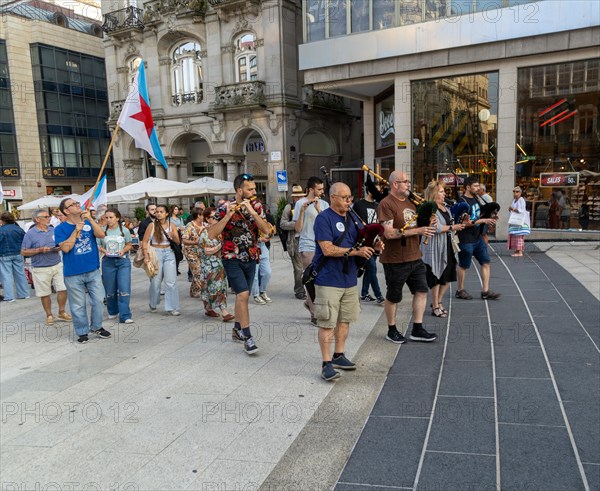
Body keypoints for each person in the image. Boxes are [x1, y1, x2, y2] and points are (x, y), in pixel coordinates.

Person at [313, 182, 382, 381]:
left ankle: (338, 355)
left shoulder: (353, 218)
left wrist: (375, 246)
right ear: (332, 197)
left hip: (349, 278)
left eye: (350, 197)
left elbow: (363, 240)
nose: (348, 201)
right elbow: (327, 249)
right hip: (328, 279)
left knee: (345, 320)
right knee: (327, 323)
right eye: (344, 197)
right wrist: (355, 252)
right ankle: (326, 363)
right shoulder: (323, 218)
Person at [209, 173, 271, 355]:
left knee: (243, 297)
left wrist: (252, 212)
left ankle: (237, 329)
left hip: (251, 257)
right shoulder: (223, 208)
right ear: (239, 190)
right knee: (243, 294)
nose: (254, 191)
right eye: (250, 189)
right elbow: (212, 234)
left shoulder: (257, 206)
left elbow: (266, 230)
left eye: (254, 188)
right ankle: (248, 336)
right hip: (231, 257)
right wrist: (227, 216)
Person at [377, 171, 438, 344]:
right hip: (395, 259)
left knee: (421, 290)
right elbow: (389, 234)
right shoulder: (386, 204)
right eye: (406, 182)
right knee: (394, 296)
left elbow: (419, 222)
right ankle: (391, 330)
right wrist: (418, 231)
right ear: (395, 184)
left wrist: (428, 222)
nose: (409, 185)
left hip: (415, 255)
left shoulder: (412, 201)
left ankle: (417, 329)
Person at [55, 198, 111, 343]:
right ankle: (82, 331)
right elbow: (66, 248)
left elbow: (101, 235)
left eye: (77, 203)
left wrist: (91, 220)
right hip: (73, 273)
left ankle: (97, 326)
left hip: (92, 269)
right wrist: (76, 231)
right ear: (66, 211)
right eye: (72, 204)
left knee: (99, 300)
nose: (77, 205)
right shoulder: (60, 229)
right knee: (78, 305)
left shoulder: (87, 222)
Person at [420, 181, 464, 318]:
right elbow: (436, 228)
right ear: (433, 194)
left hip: (448, 245)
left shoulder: (445, 207)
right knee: (436, 276)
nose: (444, 193)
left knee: (448, 275)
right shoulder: (429, 208)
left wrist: (460, 222)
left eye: (443, 191)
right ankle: (435, 305)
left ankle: (437, 302)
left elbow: (449, 222)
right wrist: (453, 227)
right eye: (441, 191)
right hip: (434, 246)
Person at [21, 209, 71, 324]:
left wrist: (59, 247)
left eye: (49, 216)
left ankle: (62, 311)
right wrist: (39, 250)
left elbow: (61, 243)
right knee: (44, 293)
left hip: (57, 263)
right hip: (40, 267)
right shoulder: (30, 234)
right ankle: (49, 315)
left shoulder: (54, 230)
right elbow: (23, 252)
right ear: (37, 219)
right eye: (46, 217)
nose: (49, 218)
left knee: (63, 288)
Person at [455, 176, 500, 301]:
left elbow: (479, 214)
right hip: (466, 238)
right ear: (468, 187)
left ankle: (485, 291)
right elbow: (465, 223)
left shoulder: (476, 198)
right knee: (464, 265)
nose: (478, 188)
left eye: (478, 185)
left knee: (486, 262)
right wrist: (483, 220)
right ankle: (460, 290)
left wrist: (490, 217)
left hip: (477, 237)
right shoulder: (462, 202)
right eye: (475, 186)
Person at [294, 177, 329, 324]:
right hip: (307, 245)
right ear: (311, 189)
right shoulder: (300, 203)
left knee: (321, 280)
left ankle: (310, 303)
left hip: (322, 245)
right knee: (310, 279)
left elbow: (327, 225)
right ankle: (314, 314)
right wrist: (302, 211)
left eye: (322, 189)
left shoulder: (325, 204)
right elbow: (297, 229)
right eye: (319, 189)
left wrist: (319, 211)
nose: (321, 192)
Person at [142, 204, 181, 316]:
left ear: (166, 213)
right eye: (157, 212)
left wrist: (172, 235)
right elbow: (144, 241)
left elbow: (178, 242)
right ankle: (153, 303)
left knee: (171, 282)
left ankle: (172, 307)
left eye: (161, 212)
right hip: (156, 253)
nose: (158, 213)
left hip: (169, 253)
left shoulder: (171, 225)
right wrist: (146, 256)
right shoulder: (152, 225)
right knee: (155, 281)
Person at [97, 208, 134, 323]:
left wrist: (123, 250)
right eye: (106, 217)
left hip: (123, 261)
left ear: (117, 218)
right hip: (108, 262)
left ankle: (125, 315)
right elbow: (97, 245)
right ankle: (112, 310)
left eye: (111, 217)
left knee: (124, 288)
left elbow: (129, 244)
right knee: (110, 289)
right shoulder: (102, 231)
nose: (108, 220)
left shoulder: (124, 231)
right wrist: (104, 251)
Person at [199, 207, 234, 321]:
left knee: (218, 286)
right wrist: (221, 245)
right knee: (213, 287)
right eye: (213, 217)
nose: (215, 219)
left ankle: (209, 309)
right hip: (208, 264)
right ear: (207, 219)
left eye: (217, 217)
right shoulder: (204, 232)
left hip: (219, 263)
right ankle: (224, 312)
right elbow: (207, 251)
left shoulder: (220, 231)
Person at [352, 182, 384, 303]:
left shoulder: (378, 205)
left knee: (369, 270)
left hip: (375, 242)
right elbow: (353, 222)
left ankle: (364, 293)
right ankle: (379, 296)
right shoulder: (359, 204)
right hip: (363, 242)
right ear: (369, 191)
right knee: (372, 267)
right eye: (376, 190)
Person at [279, 185, 306, 300]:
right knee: (299, 268)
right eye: (296, 197)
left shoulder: (307, 206)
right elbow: (282, 224)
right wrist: (297, 225)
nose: (298, 198)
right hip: (295, 241)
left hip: (307, 240)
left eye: (300, 196)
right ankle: (299, 290)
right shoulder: (289, 208)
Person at [0, 211, 31, 302]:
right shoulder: (19, 229)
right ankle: (24, 293)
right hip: (18, 253)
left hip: (4, 254)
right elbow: (25, 241)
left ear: (2, 220)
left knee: (6, 275)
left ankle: (9, 296)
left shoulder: (1, 230)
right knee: (20, 274)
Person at [251, 203, 275, 305]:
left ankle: (263, 291)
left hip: (263, 247)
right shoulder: (248, 220)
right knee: (255, 274)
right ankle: (256, 294)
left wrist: (268, 236)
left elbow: (270, 231)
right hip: (253, 248)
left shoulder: (263, 218)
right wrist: (259, 238)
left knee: (267, 272)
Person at [181, 209, 204, 298]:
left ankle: (193, 290)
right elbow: (184, 240)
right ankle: (202, 291)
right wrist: (196, 242)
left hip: (201, 251)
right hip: (190, 251)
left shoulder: (204, 225)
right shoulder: (190, 226)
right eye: (203, 215)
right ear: (198, 215)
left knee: (199, 271)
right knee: (198, 271)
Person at [507, 186, 530, 257]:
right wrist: (511, 209)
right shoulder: (514, 200)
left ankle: (519, 252)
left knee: (519, 236)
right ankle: (516, 250)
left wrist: (513, 209)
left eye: (517, 191)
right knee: (515, 235)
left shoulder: (521, 200)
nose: (515, 193)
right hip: (515, 221)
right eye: (514, 191)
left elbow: (521, 210)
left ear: (520, 193)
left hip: (519, 221)